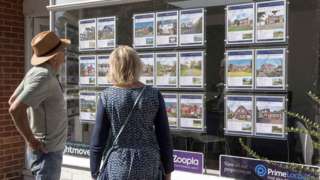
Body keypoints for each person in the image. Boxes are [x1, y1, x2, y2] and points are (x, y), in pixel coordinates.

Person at [90, 46, 174, 180]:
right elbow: (164, 137)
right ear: (137, 65)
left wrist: (94, 172)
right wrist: (168, 171)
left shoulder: (107, 96)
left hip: (118, 165)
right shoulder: (153, 95)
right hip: (149, 164)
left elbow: (98, 139)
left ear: (114, 67)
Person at [8, 31, 70, 180]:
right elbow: (15, 108)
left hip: (47, 150)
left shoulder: (37, 72)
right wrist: (30, 139)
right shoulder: (43, 76)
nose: (65, 53)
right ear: (55, 56)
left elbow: (12, 100)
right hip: (47, 152)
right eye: (62, 50)